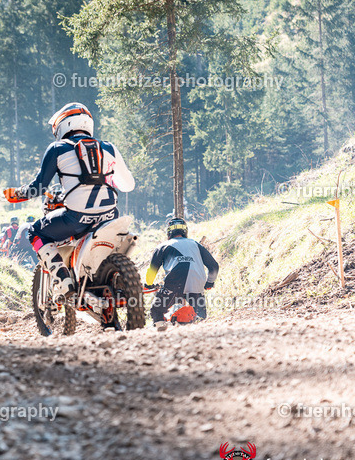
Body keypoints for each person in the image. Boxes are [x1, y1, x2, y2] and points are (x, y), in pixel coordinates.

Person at [14, 103, 135, 301]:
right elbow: (128, 185)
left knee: (35, 232)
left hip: (76, 218)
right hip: (110, 217)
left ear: (63, 124)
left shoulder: (57, 148)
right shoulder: (109, 147)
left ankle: (63, 279)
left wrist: (18, 194)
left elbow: (38, 187)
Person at [147, 218, 219, 324]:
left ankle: (161, 333)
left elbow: (152, 271)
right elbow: (214, 266)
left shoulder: (162, 246)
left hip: (174, 283)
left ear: (169, 232)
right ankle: (201, 332)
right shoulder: (196, 244)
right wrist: (210, 282)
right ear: (185, 231)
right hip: (197, 284)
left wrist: (149, 284)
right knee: (200, 316)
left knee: (156, 310)